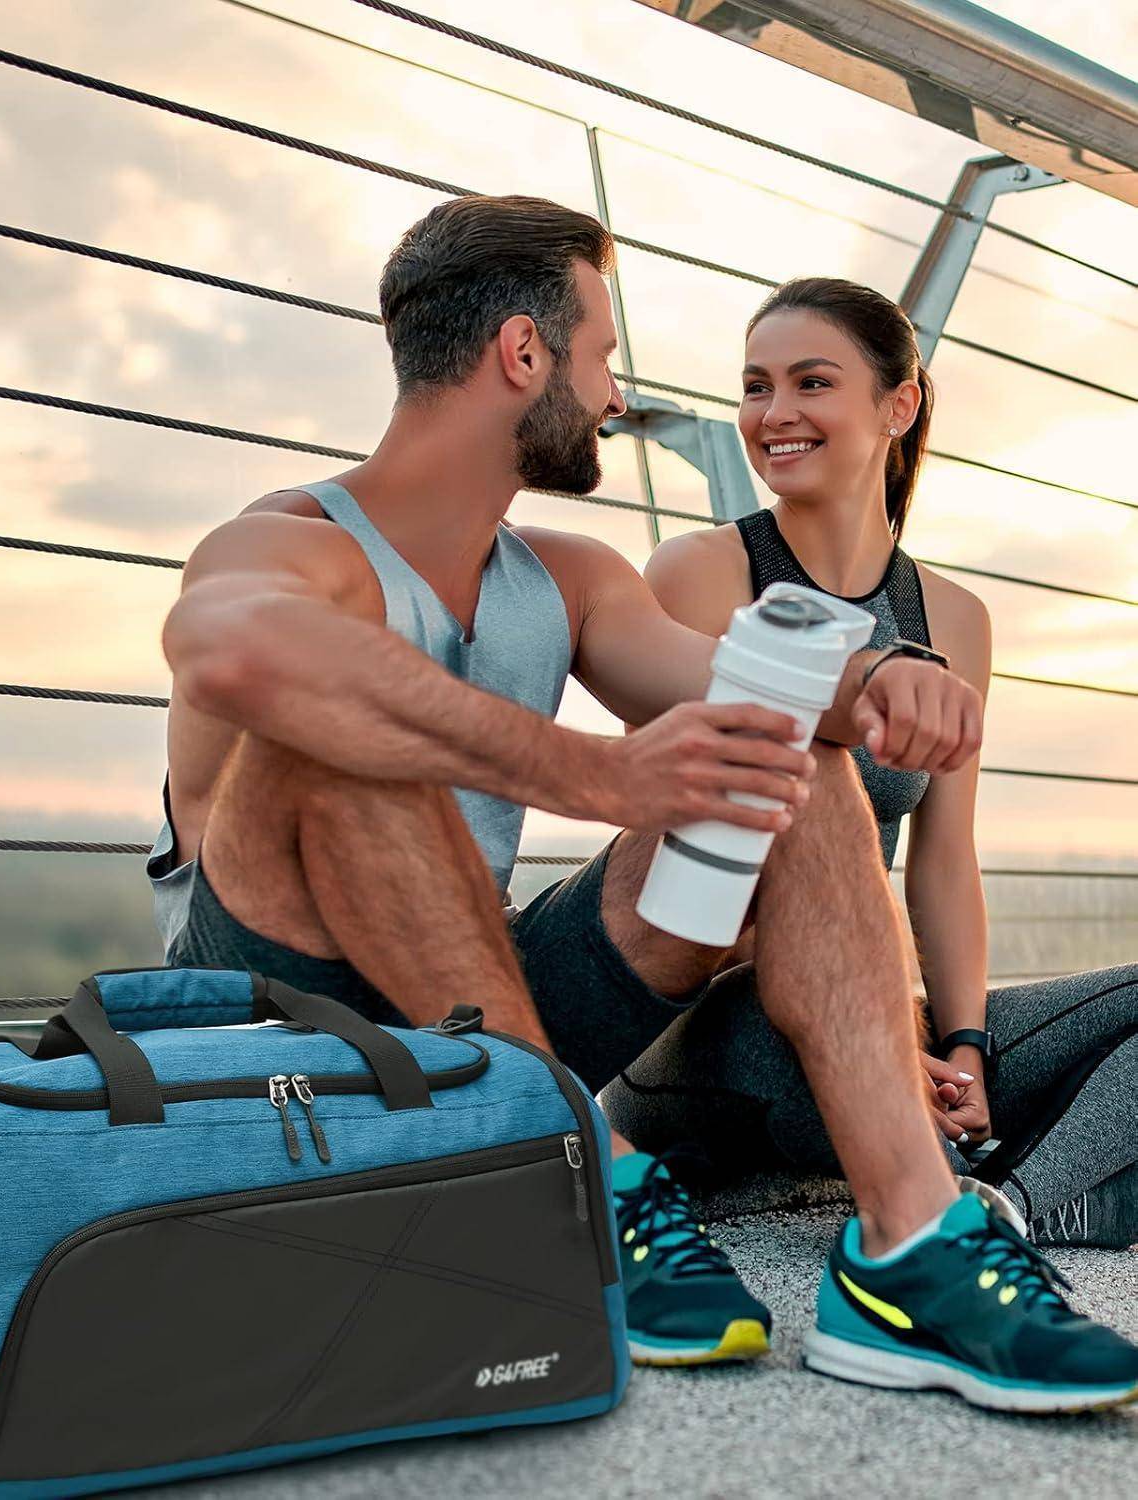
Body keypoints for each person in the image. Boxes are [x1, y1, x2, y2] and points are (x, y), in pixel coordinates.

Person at [147, 196, 1138, 1409]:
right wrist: (590, 772)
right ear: (525, 354)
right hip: (275, 1037)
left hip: (481, 1015)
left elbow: (727, 682)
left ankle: (912, 1248)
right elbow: (236, 653)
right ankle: (569, 1175)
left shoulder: (566, 578)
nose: (616, 397)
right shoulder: (288, 542)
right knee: (329, 734)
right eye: (603, 355)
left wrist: (877, 680)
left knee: (774, 745)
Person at [601, 277, 1138, 1255]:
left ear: (899, 405)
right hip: (723, 1027)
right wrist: (881, 1038)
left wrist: (963, 1046)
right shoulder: (703, 574)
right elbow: (683, 857)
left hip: (880, 1014)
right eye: (756, 386)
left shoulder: (954, 618)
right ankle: (1007, 1192)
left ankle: (1015, 1204)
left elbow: (944, 858)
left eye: (811, 382)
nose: (774, 413)